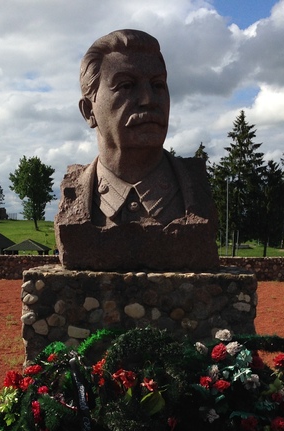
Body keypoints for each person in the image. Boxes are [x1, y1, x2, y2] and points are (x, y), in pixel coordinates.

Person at [54, 29, 218, 272]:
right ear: (89, 111)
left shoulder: (194, 192)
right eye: (126, 85)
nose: (148, 99)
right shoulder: (77, 199)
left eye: (158, 85)